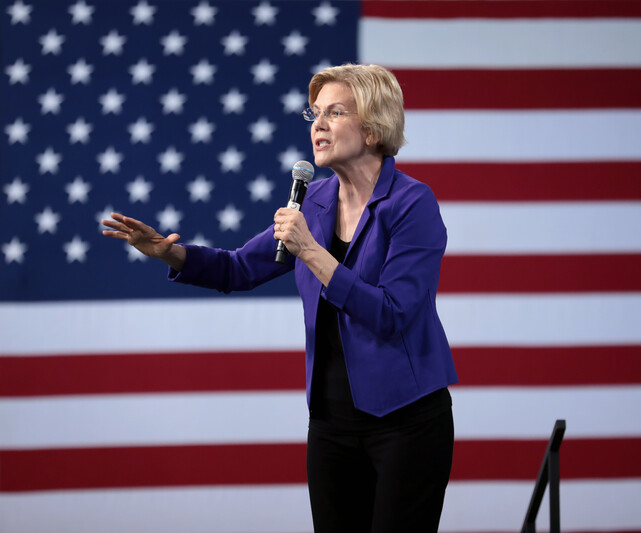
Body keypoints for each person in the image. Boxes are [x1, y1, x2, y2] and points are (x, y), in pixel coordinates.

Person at [102, 63, 458, 532]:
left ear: (372, 129)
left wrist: (311, 251)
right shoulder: (313, 201)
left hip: (405, 423)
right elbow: (238, 267)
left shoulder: (412, 204)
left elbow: (392, 314)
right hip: (331, 424)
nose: (319, 125)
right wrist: (170, 255)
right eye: (314, 113)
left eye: (335, 112)